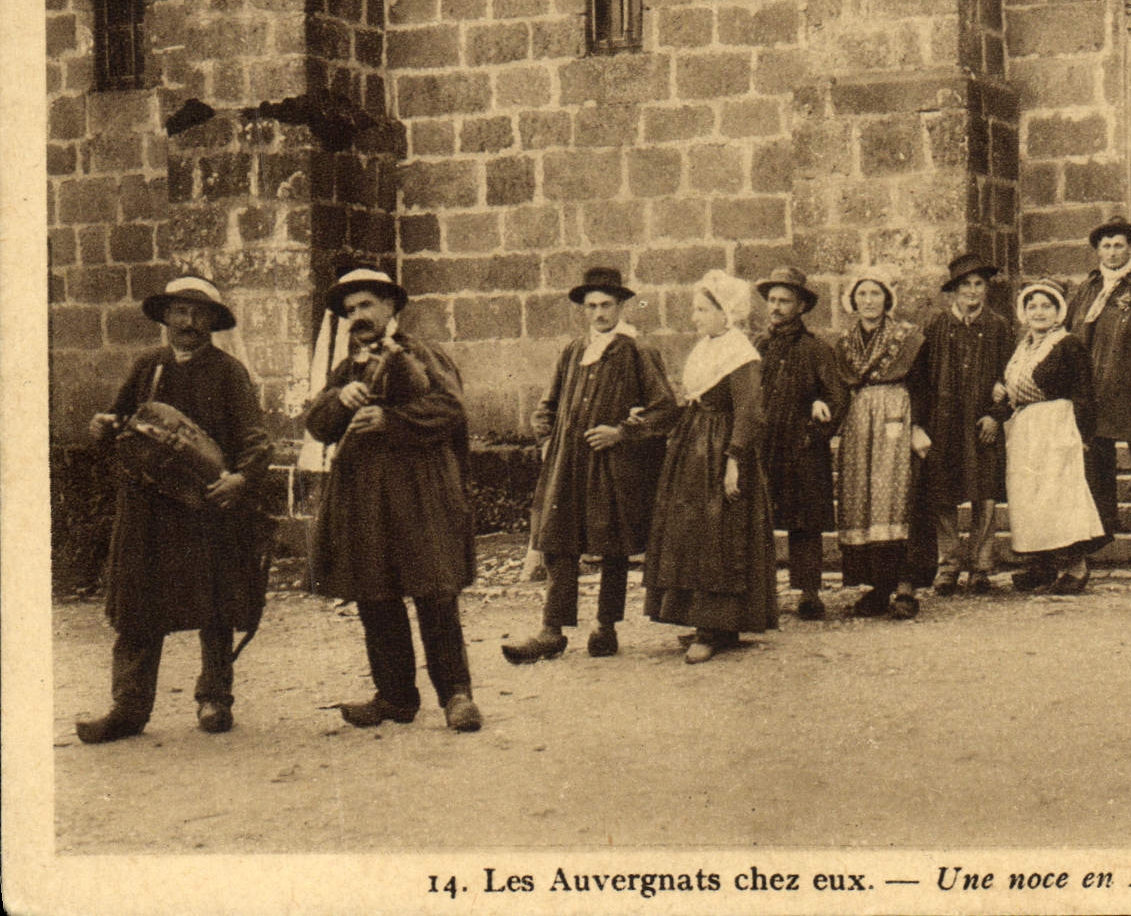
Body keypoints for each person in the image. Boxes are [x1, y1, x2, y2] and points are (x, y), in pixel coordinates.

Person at [78, 276, 273, 743]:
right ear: (165, 316)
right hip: (146, 506)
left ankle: (214, 699)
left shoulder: (228, 372)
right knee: (136, 605)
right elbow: (121, 422)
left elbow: (255, 439)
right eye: (179, 312)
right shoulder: (148, 366)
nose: (187, 322)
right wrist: (102, 426)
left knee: (215, 602)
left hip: (203, 506)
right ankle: (128, 708)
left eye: (198, 313)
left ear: (212, 321)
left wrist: (241, 478)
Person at [305, 267, 482, 731]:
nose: (357, 316)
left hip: (419, 496)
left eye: (366, 305)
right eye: (350, 310)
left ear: (390, 307)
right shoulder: (347, 368)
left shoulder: (423, 354)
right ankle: (396, 696)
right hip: (364, 502)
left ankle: (456, 696)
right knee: (375, 594)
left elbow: (451, 409)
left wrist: (391, 421)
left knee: (434, 593)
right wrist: (340, 400)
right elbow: (319, 426)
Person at [503, 267, 676, 663]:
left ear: (621, 306)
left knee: (611, 546)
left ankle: (606, 627)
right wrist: (547, 439)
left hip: (612, 465)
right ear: (583, 309)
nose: (598, 313)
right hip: (568, 463)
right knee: (557, 541)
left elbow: (665, 409)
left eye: (606, 305)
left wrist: (621, 432)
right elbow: (546, 406)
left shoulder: (637, 351)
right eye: (591, 306)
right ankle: (552, 630)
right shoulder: (573, 351)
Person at [644, 271, 780, 662]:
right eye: (695, 309)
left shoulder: (740, 353)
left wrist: (734, 461)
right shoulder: (707, 346)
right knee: (694, 533)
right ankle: (706, 621)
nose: (695, 317)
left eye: (703, 309)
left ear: (726, 313)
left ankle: (716, 625)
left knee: (721, 534)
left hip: (722, 450)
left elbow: (750, 412)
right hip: (695, 447)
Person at [833, 268, 932, 619]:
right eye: (862, 295)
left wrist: (917, 425)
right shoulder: (845, 343)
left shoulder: (907, 338)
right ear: (853, 301)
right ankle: (878, 587)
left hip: (897, 417)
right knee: (865, 502)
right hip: (861, 424)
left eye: (875, 294)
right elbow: (839, 389)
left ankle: (905, 586)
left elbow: (922, 385)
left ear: (887, 299)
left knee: (897, 500)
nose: (869, 301)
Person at [992, 278, 1103, 593]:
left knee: (1058, 496)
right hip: (1027, 427)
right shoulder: (1022, 347)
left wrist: (1083, 435)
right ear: (1023, 312)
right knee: (1030, 497)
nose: (1038, 312)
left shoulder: (1068, 344)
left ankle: (1075, 567)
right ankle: (1040, 565)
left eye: (1046, 306)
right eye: (1032, 306)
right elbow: (1012, 388)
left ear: (1058, 312)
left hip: (1057, 424)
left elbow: (1084, 392)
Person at [917, 252, 1014, 597]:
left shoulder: (999, 326)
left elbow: (1010, 375)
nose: (973, 292)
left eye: (979, 285)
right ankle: (949, 563)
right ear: (954, 291)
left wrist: (996, 415)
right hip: (944, 423)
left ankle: (981, 564)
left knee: (984, 492)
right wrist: (922, 425)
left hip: (982, 422)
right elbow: (923, 379)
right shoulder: (937, 326)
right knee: (943, 493)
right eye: (966, 286)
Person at [753, 266, 847, 620]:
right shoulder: (757, 347)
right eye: (772, 300)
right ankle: (762, 593)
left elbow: (838, 400)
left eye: (785, 301)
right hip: (764, 447)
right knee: (759, 519)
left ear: (801, 307)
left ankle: (809, 592)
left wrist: (814, 435)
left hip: (803, 449)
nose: (776, 307)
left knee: (805, 522)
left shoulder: (816, 350)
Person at [1064, 218, 1131, 545]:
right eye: (1105, 246)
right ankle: (1105, 518)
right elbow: (1071, 333)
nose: (1111, 252)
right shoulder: (1089, 287)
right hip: (1094, 383)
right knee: (1098, 452)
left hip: (1129, 381)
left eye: (1118, 245)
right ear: (1097, 251)